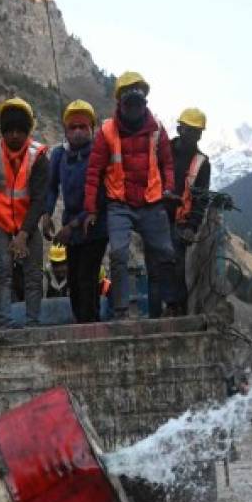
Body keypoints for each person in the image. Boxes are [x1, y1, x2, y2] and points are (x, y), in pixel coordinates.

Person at [83, 71, 178, 319]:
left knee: (165, 252)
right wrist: (91, 209)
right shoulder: (106, 132)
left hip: (152, 202)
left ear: (144, 102)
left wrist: (168, 188)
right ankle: (121, 310)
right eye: (129, 103)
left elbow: (168, 163)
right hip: (119, 204)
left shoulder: (157, 129)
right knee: (118, 254)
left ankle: (171, 306)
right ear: (120, 103)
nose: (134, 108)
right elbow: (94, 171)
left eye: (138, 102)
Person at [0, 98, 49, 328]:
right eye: (10, 131)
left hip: (28, 224)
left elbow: (39, 200)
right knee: (3, 270)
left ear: (27, 132)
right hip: (0, 223)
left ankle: (33, 323)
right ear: (3, 131)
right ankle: (4, 323)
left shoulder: (38, 157)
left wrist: (24, 235)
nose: (15, 136)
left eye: (20, 131)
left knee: (33, 274)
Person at [43, 99, 108, 322]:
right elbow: (51, 186)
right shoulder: (59, 155)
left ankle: (90, 325)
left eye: (83, 127)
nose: (78, 132)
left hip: (95, 227)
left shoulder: (99, 154)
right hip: (71, 227)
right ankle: (83, 321)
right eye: (73, 127)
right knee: (73, 279)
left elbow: (101, 196)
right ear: (66, 130)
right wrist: (46, 213)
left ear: (92, 128)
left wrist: (72, 226)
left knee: (87, 277)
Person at [160, 107, 211, 314]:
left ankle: (176, 307)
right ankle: (160, 308)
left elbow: (201, 199)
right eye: (190, 130)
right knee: (158, 264)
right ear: (180, 129)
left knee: (176, 264)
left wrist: (192, 226)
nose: (194, 136)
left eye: (197, 132)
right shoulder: (163, 151)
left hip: (181, 221)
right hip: (157, 214)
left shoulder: (202, 163)